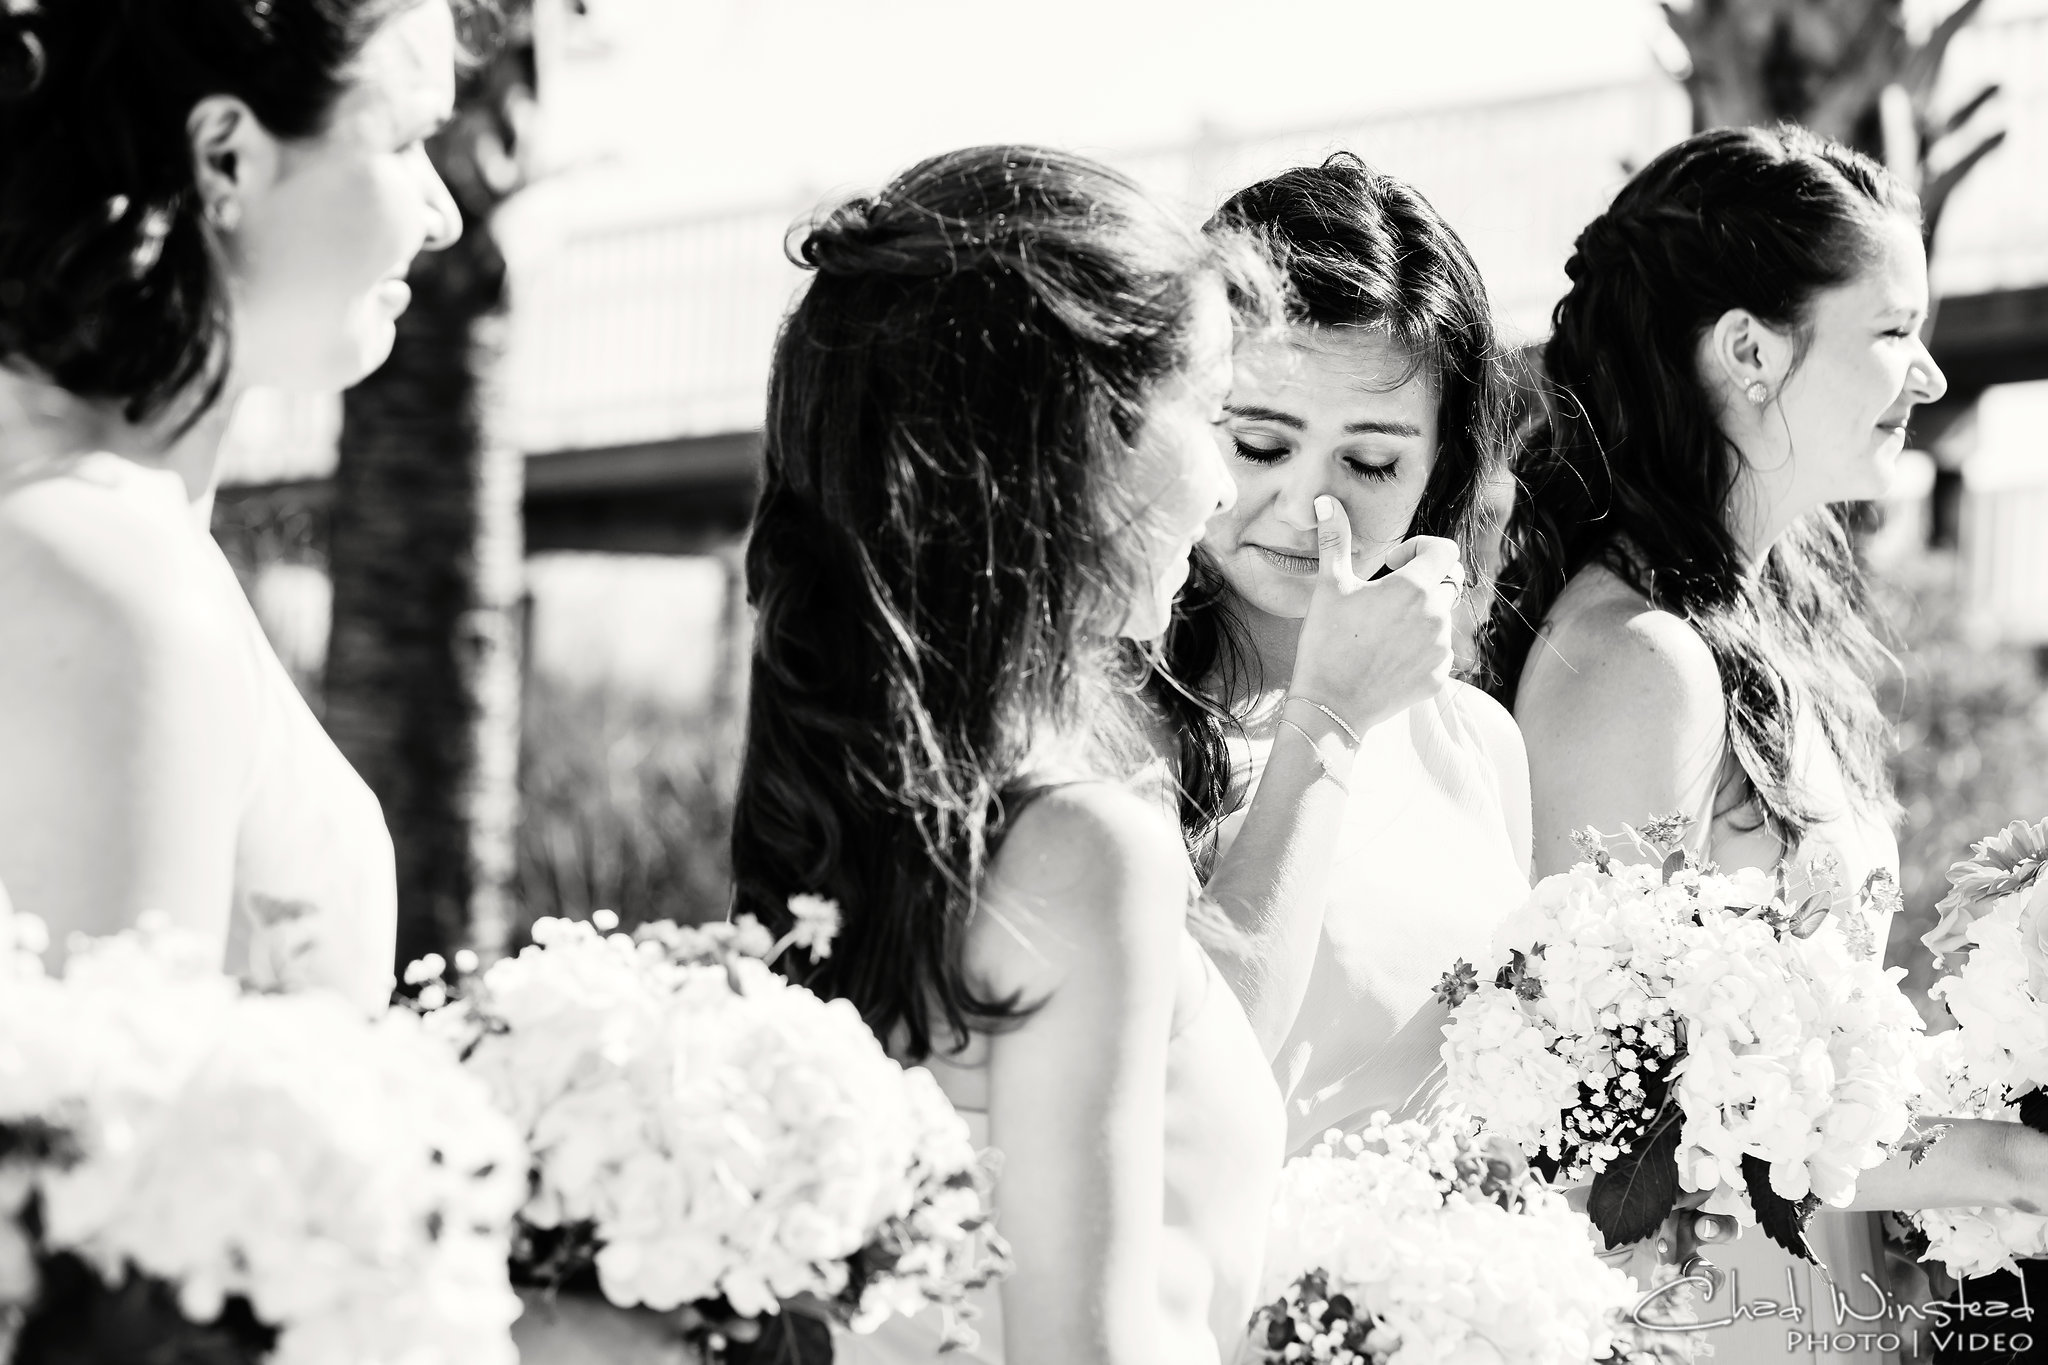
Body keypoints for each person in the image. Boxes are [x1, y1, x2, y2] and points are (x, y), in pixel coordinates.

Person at [1485, 124, 2048, 1364]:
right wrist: (2004, 1162)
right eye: (1891, 331)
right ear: (1748, 348)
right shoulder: (1634, 667)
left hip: (1817, 1297)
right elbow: (1604, 1114)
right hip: (1691, 1317)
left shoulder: (1771, 633)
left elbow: (1802, 1066)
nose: (1930, 376)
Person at [729, 146, 1284, 1365]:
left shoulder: (867, 818)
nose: (1223, 486)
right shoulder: (1084, 852)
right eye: (1212, 415)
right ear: (1085, 443)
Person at [0, 0, 470, 1008]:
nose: (443, 214)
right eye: (406, 139)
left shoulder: (108, 533)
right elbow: (86, 1145)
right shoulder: (110, 576)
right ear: (225, 157)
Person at [1149, 153, 1523, 1156]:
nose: (1308, 509)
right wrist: (1327, 719)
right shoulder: (1105, 725)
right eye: (1260, 445)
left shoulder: (1476, 744)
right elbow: (1189, 1071)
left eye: (1368, 462)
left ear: (1440, 466)